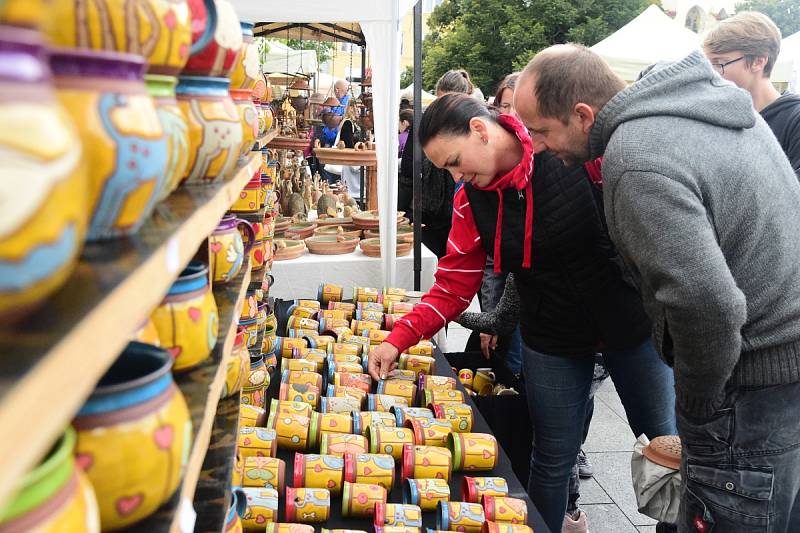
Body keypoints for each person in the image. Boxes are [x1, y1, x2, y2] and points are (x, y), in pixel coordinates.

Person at [514, 43, 800, 533]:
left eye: (540, 130)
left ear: (583, 115)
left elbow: (706, 303)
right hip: (781, 375)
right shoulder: (713, 110)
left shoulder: (636, 155)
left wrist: (696, 403)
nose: (536, 146)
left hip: (747, 385)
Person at [369, 93, 677, 533]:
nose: (457, 175)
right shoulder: (468, 200)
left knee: (665, 443)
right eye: (447, 170)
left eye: (456, 161)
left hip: (630, 324)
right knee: (551, 454)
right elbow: (453, 285)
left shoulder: (566, 148)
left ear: (480, 129)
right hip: (550, 333)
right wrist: (396, 338)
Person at [703, 12, 800, 177]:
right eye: (708, 64)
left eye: (719, 64)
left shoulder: (795, 120)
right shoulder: (717, 116)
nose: (711, 74)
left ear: (758, 62)